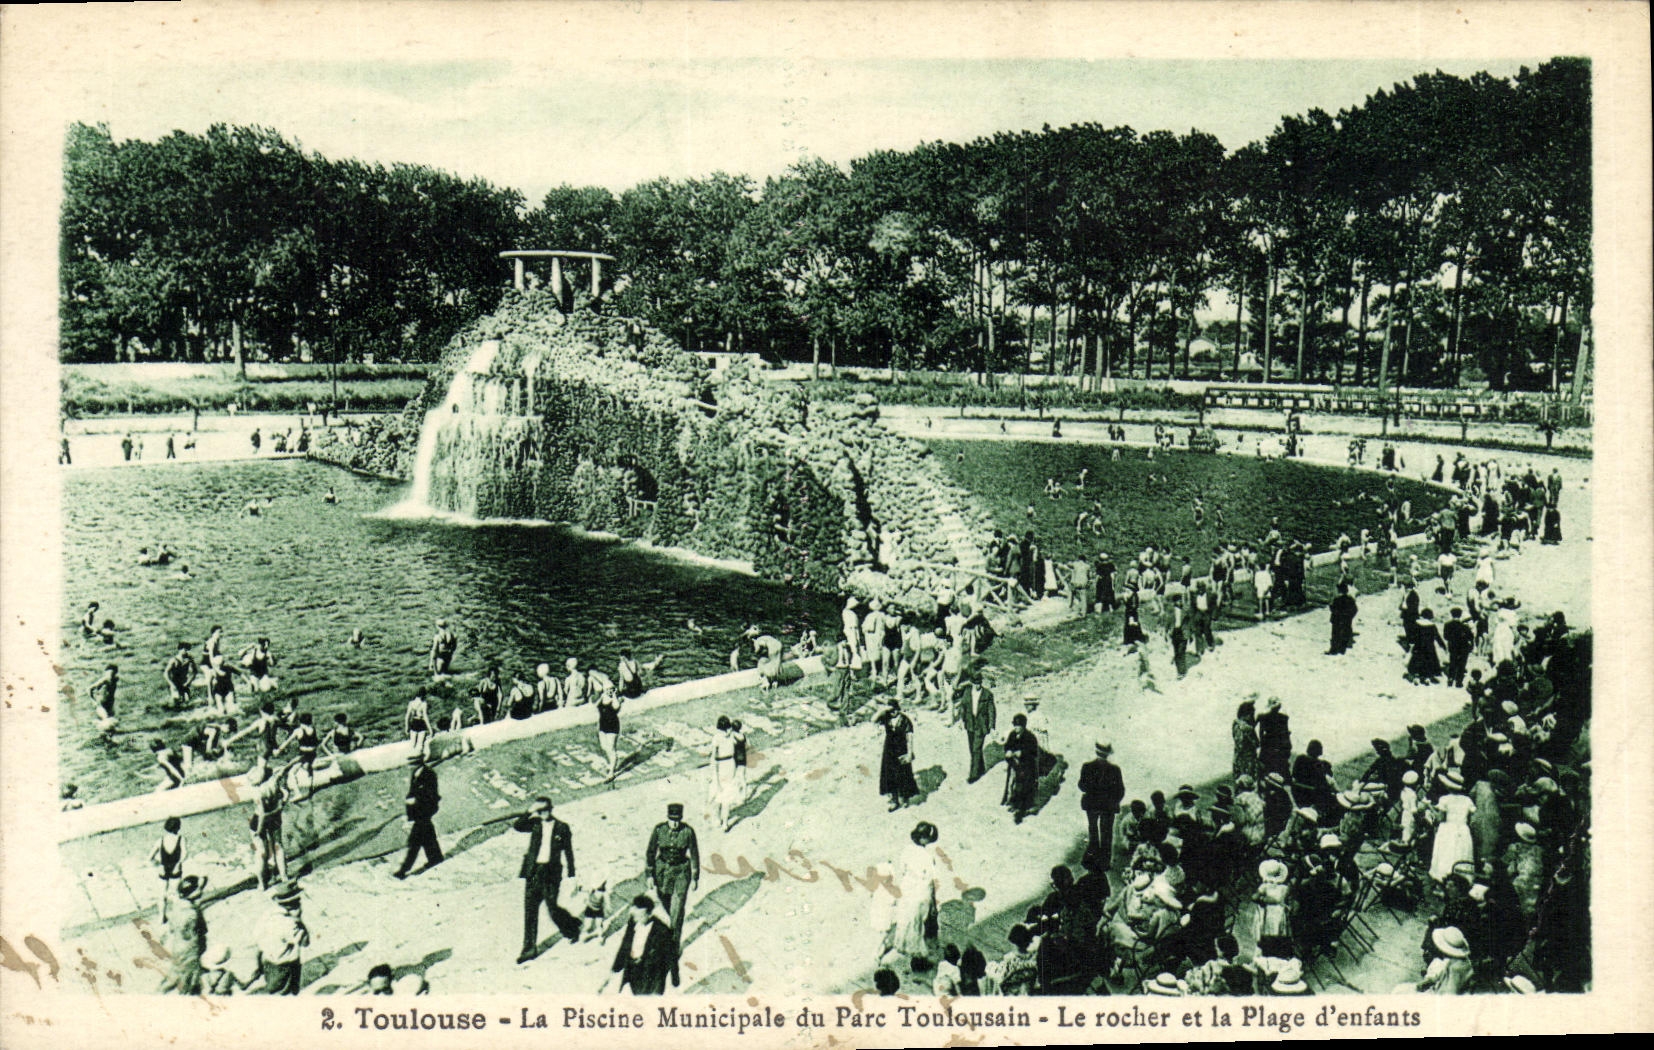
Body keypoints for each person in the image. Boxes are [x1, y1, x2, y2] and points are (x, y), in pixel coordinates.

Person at [514, 797, 575, 963]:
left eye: (545, 810)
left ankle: (571, 928)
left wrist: (572, 875)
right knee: (530, 911)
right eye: (539, 811)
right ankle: (529, 950)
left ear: (551, 809)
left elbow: (568, 852)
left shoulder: (562, 827)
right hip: (533, 872)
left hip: (551, 873)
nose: (543, 813)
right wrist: (529, 810)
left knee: (552, 908)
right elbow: (518, 826)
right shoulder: (534, 824)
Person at [646, 803, 700, 956]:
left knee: (676, 910)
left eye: (677, 820)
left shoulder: (688, 832)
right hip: (662, 872)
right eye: (672, 820)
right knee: (665, 901)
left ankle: (673, 945)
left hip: (681, 872)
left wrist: (695, 878)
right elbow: (651, 852)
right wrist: (649, 875)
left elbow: (694, 854)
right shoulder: (659, 830)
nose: (675, 823)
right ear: (667, 818)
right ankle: (674, 921)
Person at [888, 822, 942, 970]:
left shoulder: (907, 850)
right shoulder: (928, 857)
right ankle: (917, 955)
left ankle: (903, 945)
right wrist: (933, 903)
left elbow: (903, 870)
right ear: (924, 839)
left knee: (906, 919)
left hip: (907, 888)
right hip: (921, 892)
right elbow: (930, 882)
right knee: (918, 924)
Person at [608, 895, 676, 995]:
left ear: (649, 914)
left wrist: (674, 978)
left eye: (640, 916)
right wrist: (616, 967)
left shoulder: (662, 930)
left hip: (648, 973)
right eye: (635, 915)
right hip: (631, 969)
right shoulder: (633, 922)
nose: (636, 919)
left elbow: (669, 957)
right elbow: (626, 944)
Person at [253, 881, 308, 995]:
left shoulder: (268, 914)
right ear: (293, 904)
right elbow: (305, 942)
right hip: (285, 964)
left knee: (274, 989)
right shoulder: (290, 924)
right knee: (287, 992)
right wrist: (299, 921)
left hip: (268, 960)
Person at [393, 752, 443, 879]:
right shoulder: (416, 773)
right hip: (419, 811)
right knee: (428, 837)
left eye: (412, 764)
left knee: (414, 842)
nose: (409, 766)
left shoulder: (429, 774)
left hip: (424, 810)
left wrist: (416, 800)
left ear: (418, 763)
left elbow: (430, 795)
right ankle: (436, 858)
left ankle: (403, 870)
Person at [157, 875, 209, 994]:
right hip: (190, 953)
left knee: (171, 980)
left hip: (177, 949)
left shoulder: (177, 906)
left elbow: (172, 928)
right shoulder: (192, 914)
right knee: (189, 987)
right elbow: (196, 933)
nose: (202, 890)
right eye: (199, 888)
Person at [1078, 741, 1126, 864]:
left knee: (1093, 831)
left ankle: (1093, 858)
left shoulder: (1087, 766)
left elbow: (1081, 786)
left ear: (1096, 752)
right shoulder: (1115, 769)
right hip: (1108, 806)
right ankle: (1105, 861)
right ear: (1108, 754)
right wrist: (1114, 801)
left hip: (1092, 805)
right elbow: (1120, 790)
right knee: (1107, 833)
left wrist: (1092, 791)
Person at [876, 698, 919, 811]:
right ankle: (894, 800)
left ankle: (904, 798)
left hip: (901, 749)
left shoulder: (905, 720)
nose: (892, 712)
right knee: (889, 774)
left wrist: (909, 753)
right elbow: (873, 719)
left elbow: (909, 737)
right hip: (889, 750)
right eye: (890, 710)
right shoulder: (886, 717)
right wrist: (883, 710)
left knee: (903, 773)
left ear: (898, 709)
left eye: (894, 709)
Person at [955, 671, 997, 785]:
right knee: (972, 748)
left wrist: (992, 727)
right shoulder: (967, 692)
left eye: (979, 683)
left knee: (976, 749)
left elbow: (991, 711)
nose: (977, 685)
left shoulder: (987, 694)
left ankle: (973, 775)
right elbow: (963, 707)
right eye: (975, 683)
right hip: (970, 723)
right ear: (972, 683)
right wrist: (960, 720)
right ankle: (981, 769)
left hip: (981, 725)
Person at [1002, 714, 1039, 824]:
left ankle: (1025, 807)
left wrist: (1022, 753)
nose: (1016, 728)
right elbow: (1007, 745)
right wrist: (1008, 751)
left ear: (1023, 726)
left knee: (1024, 786)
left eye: (1018, 726)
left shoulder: (1030, 737)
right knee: (1013, 784)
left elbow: (1033, 752)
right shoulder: (1012, 735)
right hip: (1015, 764)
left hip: (1027, 766)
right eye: (1015, 725)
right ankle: (1014, 803)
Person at [150, 816, 187, 924]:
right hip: (175, 868)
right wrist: (178, 863)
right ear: (178, 827)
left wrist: (158, 865)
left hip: (163, 868)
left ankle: (161, 917)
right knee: (175, 893)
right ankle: (178, 915)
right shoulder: (181, 839)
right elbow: (185, 854)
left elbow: (149, 858)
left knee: (161, 895)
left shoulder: (160, 840)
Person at [709, 716, 740, 831]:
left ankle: (721, 820)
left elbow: (713, 756)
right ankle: (722, 821)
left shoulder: (722, 737)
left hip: (725, 765)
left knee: (722, 793)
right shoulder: (726, 736)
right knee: (723, 793)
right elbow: (713, 757)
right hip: (726, 765)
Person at [596, 682, 624, 781]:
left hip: (612, 726)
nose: (609, 691)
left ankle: (611, 772)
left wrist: (615, 696)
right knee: (604, 747)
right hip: (602, 725)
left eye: (611, 689)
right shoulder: (603, 697)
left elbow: (616, 707)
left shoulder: (615, 700)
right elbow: (596, 705)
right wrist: (601, 696)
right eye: (608, 689)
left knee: (611, 748)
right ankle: (612, 762)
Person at [163, 642, 197, 707]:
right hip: (174, 683)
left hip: (184, 683)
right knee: (176, 701)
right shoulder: (173, 660)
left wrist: (188, 683)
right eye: (185, 649)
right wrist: (171, 684)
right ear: (180, 649)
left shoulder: (189, 660)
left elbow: (194, 672)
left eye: (187, 650)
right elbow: (166, 673)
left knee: (187, 702)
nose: (186, 651)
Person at [1328, 582, 1358, 655]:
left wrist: (1332, 608)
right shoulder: (1350, 599)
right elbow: (1355, 609)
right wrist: (1349, 616)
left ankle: (1334, 650)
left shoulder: (1337, 599)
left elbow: (1333, 609)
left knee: (1336, 635)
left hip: (1337, 620)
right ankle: (1342, 650)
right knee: (1344, 635)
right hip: (1346, 620)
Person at [403, 691, 431, 758]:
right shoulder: (423, 704)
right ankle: (419, 756)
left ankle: (411, 755)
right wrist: (430, 729)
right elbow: (425, 717)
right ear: (422, 696)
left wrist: (406, 727)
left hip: (414, 722)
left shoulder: (411, 703)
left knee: (412, 743)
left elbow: (407, 717)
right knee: (420, 744)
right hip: (421, 723)